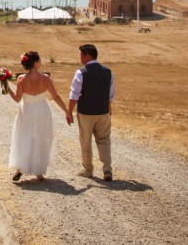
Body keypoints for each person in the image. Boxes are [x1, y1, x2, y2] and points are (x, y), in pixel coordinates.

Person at [8, 50, 70, 182]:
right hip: (43, 110)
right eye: (39, 60)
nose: (41, 62)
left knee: (25, 137)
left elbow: (17, 99)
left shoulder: (21, 79)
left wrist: (6, 87)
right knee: (42, 138)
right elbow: (56, 96)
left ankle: (19, 168)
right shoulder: (46, 78)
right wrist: (66, 111)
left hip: (27, 111)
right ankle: (39, 171)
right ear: (35, 63)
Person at [66, 43, 115, 181]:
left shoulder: (81, 72)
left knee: (85, 142)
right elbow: (111, 93)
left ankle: (88, 170)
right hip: (103, 112)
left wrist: (69, 111)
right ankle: (107, 170)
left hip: (86, 113)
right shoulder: (108, 71)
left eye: (81, 55)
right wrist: (108, 106)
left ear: (87, 56)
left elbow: (74, 94)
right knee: (104, 140)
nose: (80, 57)